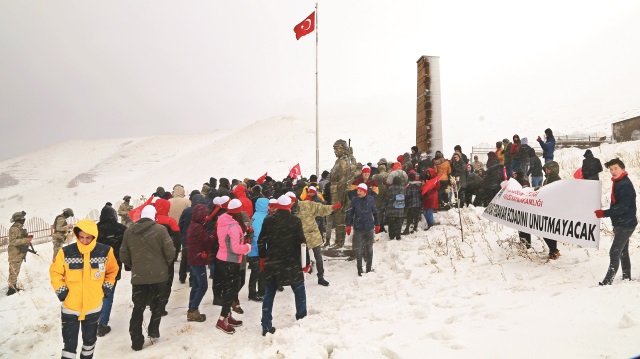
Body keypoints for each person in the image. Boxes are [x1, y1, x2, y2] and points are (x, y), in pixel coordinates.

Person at [49, 219, 119, 359]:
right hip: (70, 307)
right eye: (81, 237)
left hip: (93, 307)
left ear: (94, 236)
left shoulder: (105, 251)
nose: (85, 240)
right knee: (69, 345)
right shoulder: (66, 252)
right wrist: (62, 292)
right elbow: (55, 272)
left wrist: (106, 288)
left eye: (88, 237)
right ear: (77, 235)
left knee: (90, 342)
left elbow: (112, 271)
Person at [120, 205, 176, 351]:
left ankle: (136, 340)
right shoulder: (160, 230)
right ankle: (153, 329)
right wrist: (164, 264)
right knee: (158, 305)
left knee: (138, 308)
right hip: (159, 276)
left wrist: (135, 265)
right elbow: (170, 252)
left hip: (139, 277)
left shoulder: (129, 231)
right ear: (153, 216)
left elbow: (123, 254)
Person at [258, 195, 307, 336]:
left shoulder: (268, 220)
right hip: (291, 262)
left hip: (273, 261)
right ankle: (302, 318)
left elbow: (261, 241)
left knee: (269, 293)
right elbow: (302, 243)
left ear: (278, 205)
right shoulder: (295, 221)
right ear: (289, 206)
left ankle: (266, 325)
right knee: (299, 290)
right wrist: (305, 262)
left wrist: (262, 258)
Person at [595, 158, 637, 285]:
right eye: (611, 169)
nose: (613, 171)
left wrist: (604, 213)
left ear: (622, 169)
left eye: (616, 168)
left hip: (626, 224)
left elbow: (623, 208)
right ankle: (626, 277)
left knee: (614, 251)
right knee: (623, 250)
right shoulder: (618, 182)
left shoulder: (624, 184)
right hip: (621, 222)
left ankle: (608, 281)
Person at [215, 199, 252, 334]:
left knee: (228, 289)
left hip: (222, 258)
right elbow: (236, 248)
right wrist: (247, 247)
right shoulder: (234, 227)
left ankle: (227, 315)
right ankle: (222, 319)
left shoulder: (223, 220)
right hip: (231, 261)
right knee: (231, 291)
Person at [293, 191, 341, 286]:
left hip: (313, 235)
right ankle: (299, 279)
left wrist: (332, 207)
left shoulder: (307, 205)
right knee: (299, 259)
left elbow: (320, 208)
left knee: (318, 257)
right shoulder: (288, 211)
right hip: (300, 239)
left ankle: (321, 277)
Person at [96, 205, 126, 337]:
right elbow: (126, 247)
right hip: (113, 266)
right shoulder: (121, 229)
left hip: (95, 266)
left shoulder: (94, 229)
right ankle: (102, 324)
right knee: (108, 294)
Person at [186, 204, 215, 322]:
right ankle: (193, 309)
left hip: (194, 258)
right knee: (203, 286)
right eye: (205, 214)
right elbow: (208, 241)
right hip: (198, 260)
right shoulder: (198, 227)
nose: (207, 216)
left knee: (197, 285)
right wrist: (215, 231)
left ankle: (191, 309)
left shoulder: (194, 225)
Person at [346, 183, 380, 276]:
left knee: (369, 249)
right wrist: (348, 225)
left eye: (360, 191)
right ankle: (359, 269)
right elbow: (350, 213)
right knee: (359, 249)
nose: (358, 192)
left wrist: (377, 224)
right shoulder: (354, 200)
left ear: (365, 191)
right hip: (358, 229)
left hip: (369, 228)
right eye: (357, 190)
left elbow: (375, 213)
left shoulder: (371, 200)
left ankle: (369, 268)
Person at [247, 198, 269, 301]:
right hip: (257, 250)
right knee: (257, 273)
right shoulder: (261, 218)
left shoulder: (254, 217)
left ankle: (260, 291)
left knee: (259, 272)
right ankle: (254, 293)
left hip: (254, 249)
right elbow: (256, 235)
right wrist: (263, 248)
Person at [7, 211, 33, 296]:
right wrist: (26, 240)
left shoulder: (19, 228)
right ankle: (11, 290)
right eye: (22, 218)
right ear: (18, 219)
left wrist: (27, 238)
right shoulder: (14, 228)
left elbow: (20, 239)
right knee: (14, 271)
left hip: (19, 252)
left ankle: (13, 286)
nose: (23, 219)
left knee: (16, 270)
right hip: (15, 253)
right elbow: (13, 241)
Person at [542, 161, 561, 259]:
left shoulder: (557, 180)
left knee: (549, 231)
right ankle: (554, 250)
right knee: (546, 231)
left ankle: (553, 251)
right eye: (546, 169)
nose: (546, 171)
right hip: (546, 208)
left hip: (553, 209)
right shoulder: (547, 179)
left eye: (548, 169)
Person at [385, 176, 406, 240]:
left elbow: (388, 197)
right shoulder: (403, 188)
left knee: (391, 223)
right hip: (399, 208)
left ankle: (391, 235)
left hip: (391, 208)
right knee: (399, 222)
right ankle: (398, 235)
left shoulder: (390, 188)